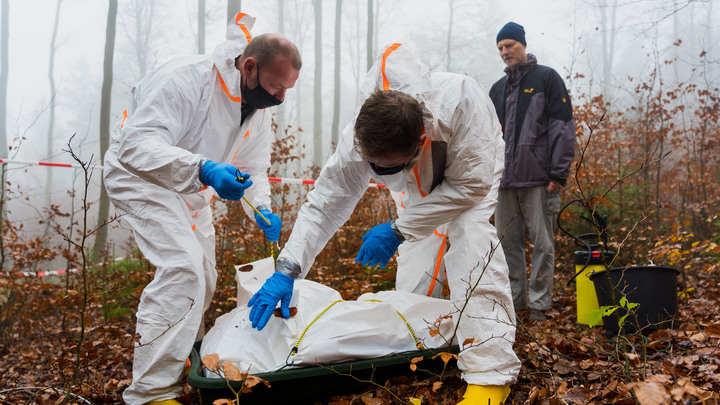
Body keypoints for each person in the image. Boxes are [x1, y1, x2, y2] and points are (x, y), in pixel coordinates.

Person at [247, 43, 521, 405]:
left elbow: (469, 187)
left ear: (419, 140)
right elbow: (325, 205)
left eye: (387, 169)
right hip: (415, 193)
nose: (379, 173)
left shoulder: (460, 100)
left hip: (472, 173)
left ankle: (490, 371)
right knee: (415, 276)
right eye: (374, 166)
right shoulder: (360, 137)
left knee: (470, 238)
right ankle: (427, 351)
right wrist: (287, 268)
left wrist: (397, 229)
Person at [103, 13, 301, 405]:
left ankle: (185, 358)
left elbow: (253, 168)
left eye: (287, 90)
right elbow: (134, 145)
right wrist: (204, 168)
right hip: (141, 179)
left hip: (193, 192)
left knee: (205, 279)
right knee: (183, 268)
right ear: (249, 67)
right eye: (276, 86)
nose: (280, 98)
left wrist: (261, 205)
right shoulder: (186, 79)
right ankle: (152, 391)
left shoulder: (258, 111)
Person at [489, 22, 575, 322]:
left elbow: (562, 127)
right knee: (506, 245)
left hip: (539, 179)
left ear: (523, 45)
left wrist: (558, 173)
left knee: (543, 244)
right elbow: (487, 136)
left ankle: (539, 305)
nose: (505, 51)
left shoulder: (546, 78)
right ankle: (516, 302)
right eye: (500, 47)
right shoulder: (497, 89)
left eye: (509, 45)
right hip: (503, 183)